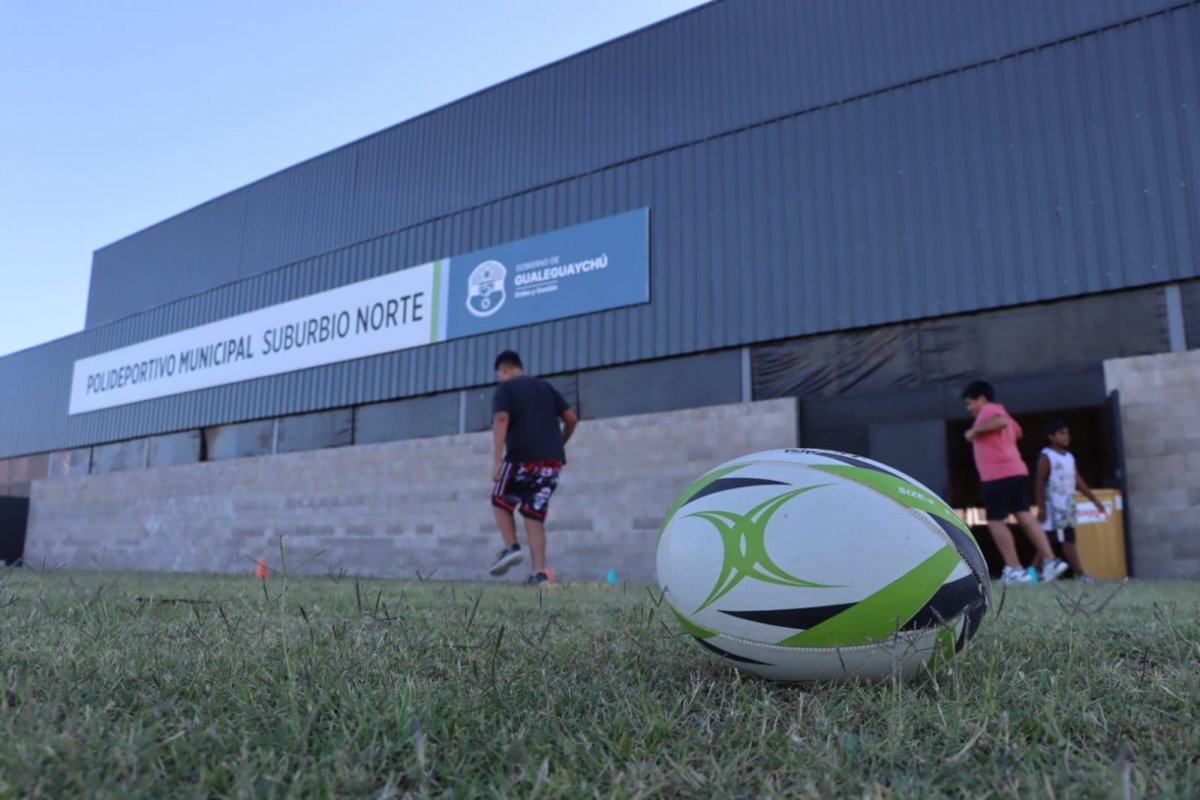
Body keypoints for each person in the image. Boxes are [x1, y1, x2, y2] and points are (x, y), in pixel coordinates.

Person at [961, 381, 1069, 584]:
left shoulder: (989, 410)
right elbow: (1017, 431)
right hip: (1014, 471)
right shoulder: (1002, 413)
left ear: (982, 398)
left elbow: (1001, 421)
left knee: (995, 522)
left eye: (970, 403)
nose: (969, 409)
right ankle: (1051, 560)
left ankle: (1014, 569)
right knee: (1024, 516)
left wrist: (974, 432)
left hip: (997, 474)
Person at [487, 350, 578, 585]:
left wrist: (497, 461)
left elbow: (501, 419)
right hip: (552, 463)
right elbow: (571, 418)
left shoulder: (505, 388)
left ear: (504, 371)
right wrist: (559, 443)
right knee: (534, 515)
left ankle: (511, 547)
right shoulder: (545, 387)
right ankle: (539, 574)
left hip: (522, 457)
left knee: (500, 498)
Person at [1034, 420, 1105, 583]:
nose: (1066, 436)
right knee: (1066, 539)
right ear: (1051, 437)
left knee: (1047, 540)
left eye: (1067, 433)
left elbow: (1078, 480)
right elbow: (1039, 481)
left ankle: (1033, 572)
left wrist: (1094, 499)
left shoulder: (1069, 457)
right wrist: (1041, 507)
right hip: (1054, 506)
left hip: (1068, 506)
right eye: (1062, 433)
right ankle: (1081, 574)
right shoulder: (1047, 456)